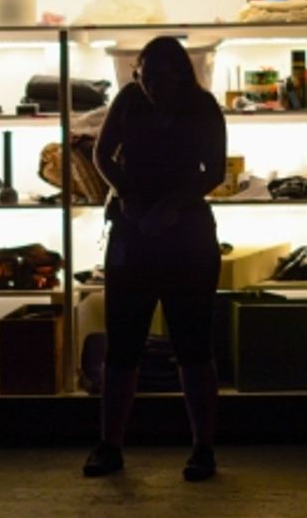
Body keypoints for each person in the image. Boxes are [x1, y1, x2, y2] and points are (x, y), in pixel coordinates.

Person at [85, 36, 227, 482]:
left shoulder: (203, 107)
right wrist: (126, 193)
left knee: (193, 345)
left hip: (184, 232)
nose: (152, 90)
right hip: (137, 228)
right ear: (136, 74)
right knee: (123, 344)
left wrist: (172, 204)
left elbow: (216, 171)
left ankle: (203, 448)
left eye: (161, 82)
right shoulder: (129, 99)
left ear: (181, 75)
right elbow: (101, 154)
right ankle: (110, 445)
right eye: (145, 80)